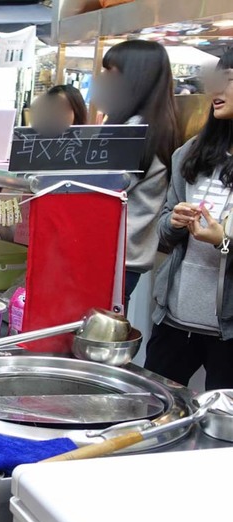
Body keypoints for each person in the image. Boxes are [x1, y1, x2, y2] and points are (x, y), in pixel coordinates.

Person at [144, 50, 233, 390]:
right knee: (155, 405)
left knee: (222, 418)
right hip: (174, 318)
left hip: (228, 331)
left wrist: (224, 241)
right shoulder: (190, 153)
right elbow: (164, 231)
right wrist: (174, 222)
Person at [94, 40, 180, 303]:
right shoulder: (155, 125)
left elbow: (100, 186)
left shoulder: (133, 130)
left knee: (96, 325)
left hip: (112, 256)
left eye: (110, 74)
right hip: (125, 257)